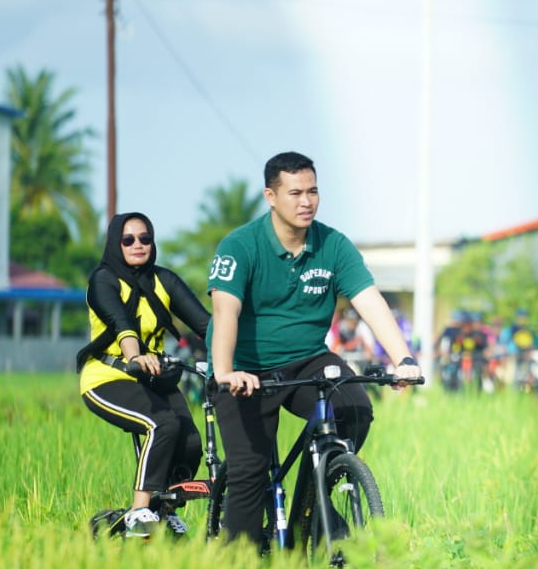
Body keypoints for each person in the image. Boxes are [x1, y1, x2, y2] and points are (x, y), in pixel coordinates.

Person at [208, 150, 422, 547]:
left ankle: (310, 506)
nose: (306, 201)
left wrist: (403, 359)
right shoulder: (240, 245)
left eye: (313, 191)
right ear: (271, 197)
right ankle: (236, 565)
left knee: (354, 409)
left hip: (308, 358)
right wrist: (224, 371)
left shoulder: (333, 245)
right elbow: (225, 311)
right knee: (250, 471)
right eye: (295, 193)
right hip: (244, 368)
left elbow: (370, 301)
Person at [77, 213, 212, 539]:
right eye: (128, 240)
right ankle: (140, 512)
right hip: (108, 376)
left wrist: (242, 353)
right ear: (116, 244)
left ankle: (164, 512)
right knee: (162, 423)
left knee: (191, 442)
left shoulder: (163, 280)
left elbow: (206, 325)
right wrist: (135, 356)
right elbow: (120, 322)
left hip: (156, 378)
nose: (138, 245)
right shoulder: (104, 280)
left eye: (145, 238)